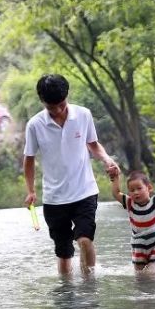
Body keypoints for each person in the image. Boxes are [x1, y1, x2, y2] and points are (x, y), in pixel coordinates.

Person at [24, 74, 119, 275]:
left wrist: (107, 159)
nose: (58, 111)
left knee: (85, 239)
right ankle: (67, 296)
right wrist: (31, 190)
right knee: (64, 252)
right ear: (42, 102)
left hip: (84, 191)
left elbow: (93, 144)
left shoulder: (83, 115)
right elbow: (29, 159)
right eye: (52, 107)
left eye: (61, 104)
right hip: (54, 198)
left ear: (67, 95)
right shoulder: (34, 125)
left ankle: (89, 289)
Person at [109, 160, 155, 272]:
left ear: (149, 188)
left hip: (154, 247)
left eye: (139, 188)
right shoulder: (130, 204)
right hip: (138, 248)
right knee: (140, 277)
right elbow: (116, 193)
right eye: (132, 190)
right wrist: (115, 177)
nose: (136, 192)